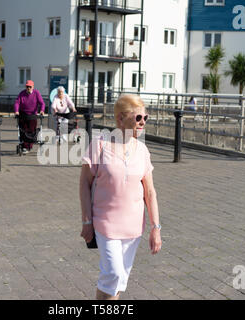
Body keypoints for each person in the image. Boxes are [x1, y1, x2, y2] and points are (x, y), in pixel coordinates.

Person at [80, 94, 162, 300]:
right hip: (105, 223)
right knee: (113, 274)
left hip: (133, 227)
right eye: (138, 118)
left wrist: (156, 228)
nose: (143, 122)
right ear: (120, 119)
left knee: (119, 280)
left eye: (146, 117)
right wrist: (86, 220)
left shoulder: (142, 150)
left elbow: (150, 192)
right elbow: (84, 183)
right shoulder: (100, 145)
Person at [14, 80, 45, 154]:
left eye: (30, 87)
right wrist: (16, 111)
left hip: (32, 115)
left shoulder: (36, 93)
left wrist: (42, 110)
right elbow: (17, 103)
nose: (28, 88)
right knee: (23, 130)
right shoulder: (22, 93)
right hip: (23, 114)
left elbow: (42, 103)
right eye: (27, 87)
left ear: (33, 87)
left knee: (31, 131)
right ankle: (25, 146)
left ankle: (28, 146)